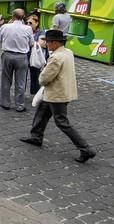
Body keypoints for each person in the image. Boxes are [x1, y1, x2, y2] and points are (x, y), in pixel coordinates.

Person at [20, 30, 97, 164]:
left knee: (62, 122)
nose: (46, 43)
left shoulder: (56, 57)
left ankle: (85, 148)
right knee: (42, 112)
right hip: (60, 92)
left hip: (57, 94)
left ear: (55, 43)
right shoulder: (67, 52)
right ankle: (36, 136)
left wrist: (41, 75)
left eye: (48, 41)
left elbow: (44, 79)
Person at [0, 9, 34, 112]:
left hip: (7, 55)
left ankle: (5, 103)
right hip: (22, 57)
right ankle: (20, 105)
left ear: (12, 16)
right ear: (23, 17)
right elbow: (31, 43)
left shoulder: (5, 27)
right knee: (21, 82)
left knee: (6, 80)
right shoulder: (28, 29)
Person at [27, 13, 46, 95]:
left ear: (37, 23)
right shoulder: (26, 30)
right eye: (27, 22)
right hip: (26, 55)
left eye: (31, 23)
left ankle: (35, 92)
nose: (28, 25)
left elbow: (41, 43)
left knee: (35, 75)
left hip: (35, 57)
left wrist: (30, 43)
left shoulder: (41, 32)